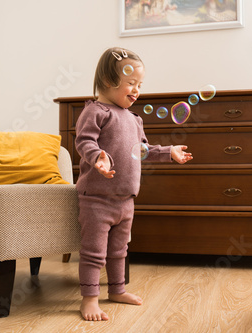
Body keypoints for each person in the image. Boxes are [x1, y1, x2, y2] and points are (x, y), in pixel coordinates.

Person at [75, 47, 192, 321]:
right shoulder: (95, 111)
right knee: (93, 252)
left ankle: (117, 289)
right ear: (107, 82)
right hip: (96, 198)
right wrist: (98, 158)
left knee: (119, 251)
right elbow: (84, 142)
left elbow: (143, 150)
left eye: (140, 85)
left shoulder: (134, 118)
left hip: (126, 200)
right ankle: (89, 299)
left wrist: (169, 151)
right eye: (131, 83)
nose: (137, 90)